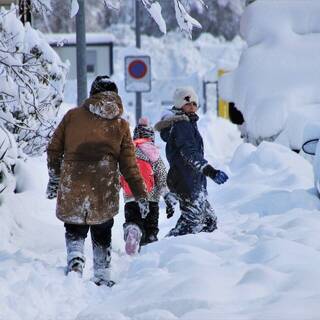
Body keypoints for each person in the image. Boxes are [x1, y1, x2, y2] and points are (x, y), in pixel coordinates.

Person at [46, 75, 148, 286]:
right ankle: (102, 274)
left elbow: (54, 149)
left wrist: (55, 177)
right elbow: (129, 165)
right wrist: (140, 194)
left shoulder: (72, 116)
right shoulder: (120, 125)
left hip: (73, 180)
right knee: (102, 229)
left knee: (74, 226)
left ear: (92, 94)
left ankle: (75, 259)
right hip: (103, 184)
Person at [155, 87, 228, 237]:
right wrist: (210, 171)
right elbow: (189, 153)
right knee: (192, 222)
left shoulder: (187, 123)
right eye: (188, 103)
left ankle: (200, 253)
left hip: (192, 180)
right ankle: (167, 249)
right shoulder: (182, 125)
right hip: (185, 180)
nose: (192, 107)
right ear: (179, 105)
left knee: (209, 221)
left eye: (195, 104)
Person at [120, 117, 177, 255]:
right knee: (150, 228)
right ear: (151, 137)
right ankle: (148, 251)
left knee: (133, 220)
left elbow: (118, 174)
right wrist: (167, 196)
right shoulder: (153, 153)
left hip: (131, 197)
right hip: (151, 199)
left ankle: (133, 230)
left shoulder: (127, 152)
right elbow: (162, 177)